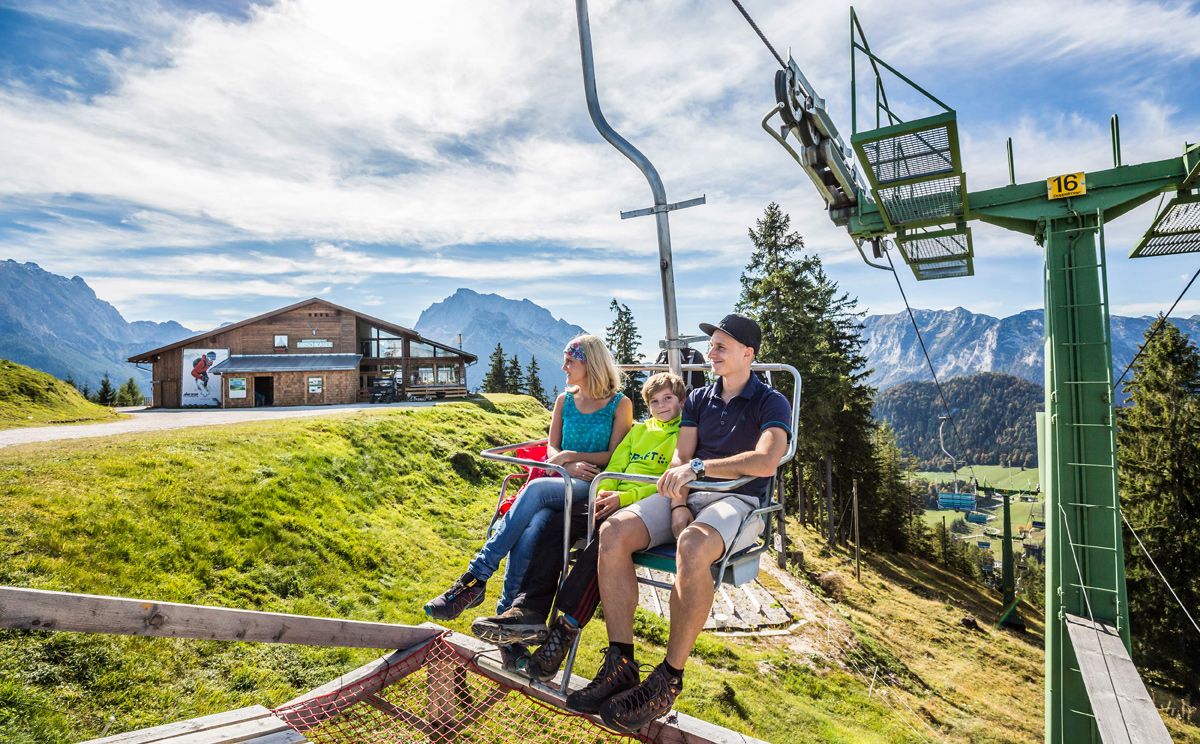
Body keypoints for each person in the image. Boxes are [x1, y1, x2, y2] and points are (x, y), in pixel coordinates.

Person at [567, 314, 791, 734]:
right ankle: (621, 662)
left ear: (748, 354)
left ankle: (668, 678)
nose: (711, 353)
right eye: (712, 346)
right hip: (689, 494)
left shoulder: (770, 402)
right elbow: (680, 458)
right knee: (613, 532)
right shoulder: (700, 399)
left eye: (721, 346)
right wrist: (678, 504)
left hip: (739, 500)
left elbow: (765, 460)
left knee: (692, 545)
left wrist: (700, 470)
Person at [468, 373, 686, 678]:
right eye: (654, 401)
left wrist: (623, 498)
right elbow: (615, 465)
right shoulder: (639, 431)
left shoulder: (682, 434)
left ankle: (563, 630)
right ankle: (530, 609)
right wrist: (602, 493)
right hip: (609, 496)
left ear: (681, 401)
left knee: (601, 543)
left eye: (668, 399)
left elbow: (666, 478)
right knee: (557, 525)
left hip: (638, 504)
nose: (661, 406)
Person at [424, 335, 633, 621]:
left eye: (570, 362)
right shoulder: (565, 401)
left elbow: (613, 455)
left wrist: (568, 457)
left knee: (535, 490)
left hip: (590, 483)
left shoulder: (619, 404)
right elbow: (552, 448)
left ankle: (476, 576)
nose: (564, 367)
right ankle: (506, 617)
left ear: (590, 364)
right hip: (560, 480)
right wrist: (565, 463)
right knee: (531, 528)